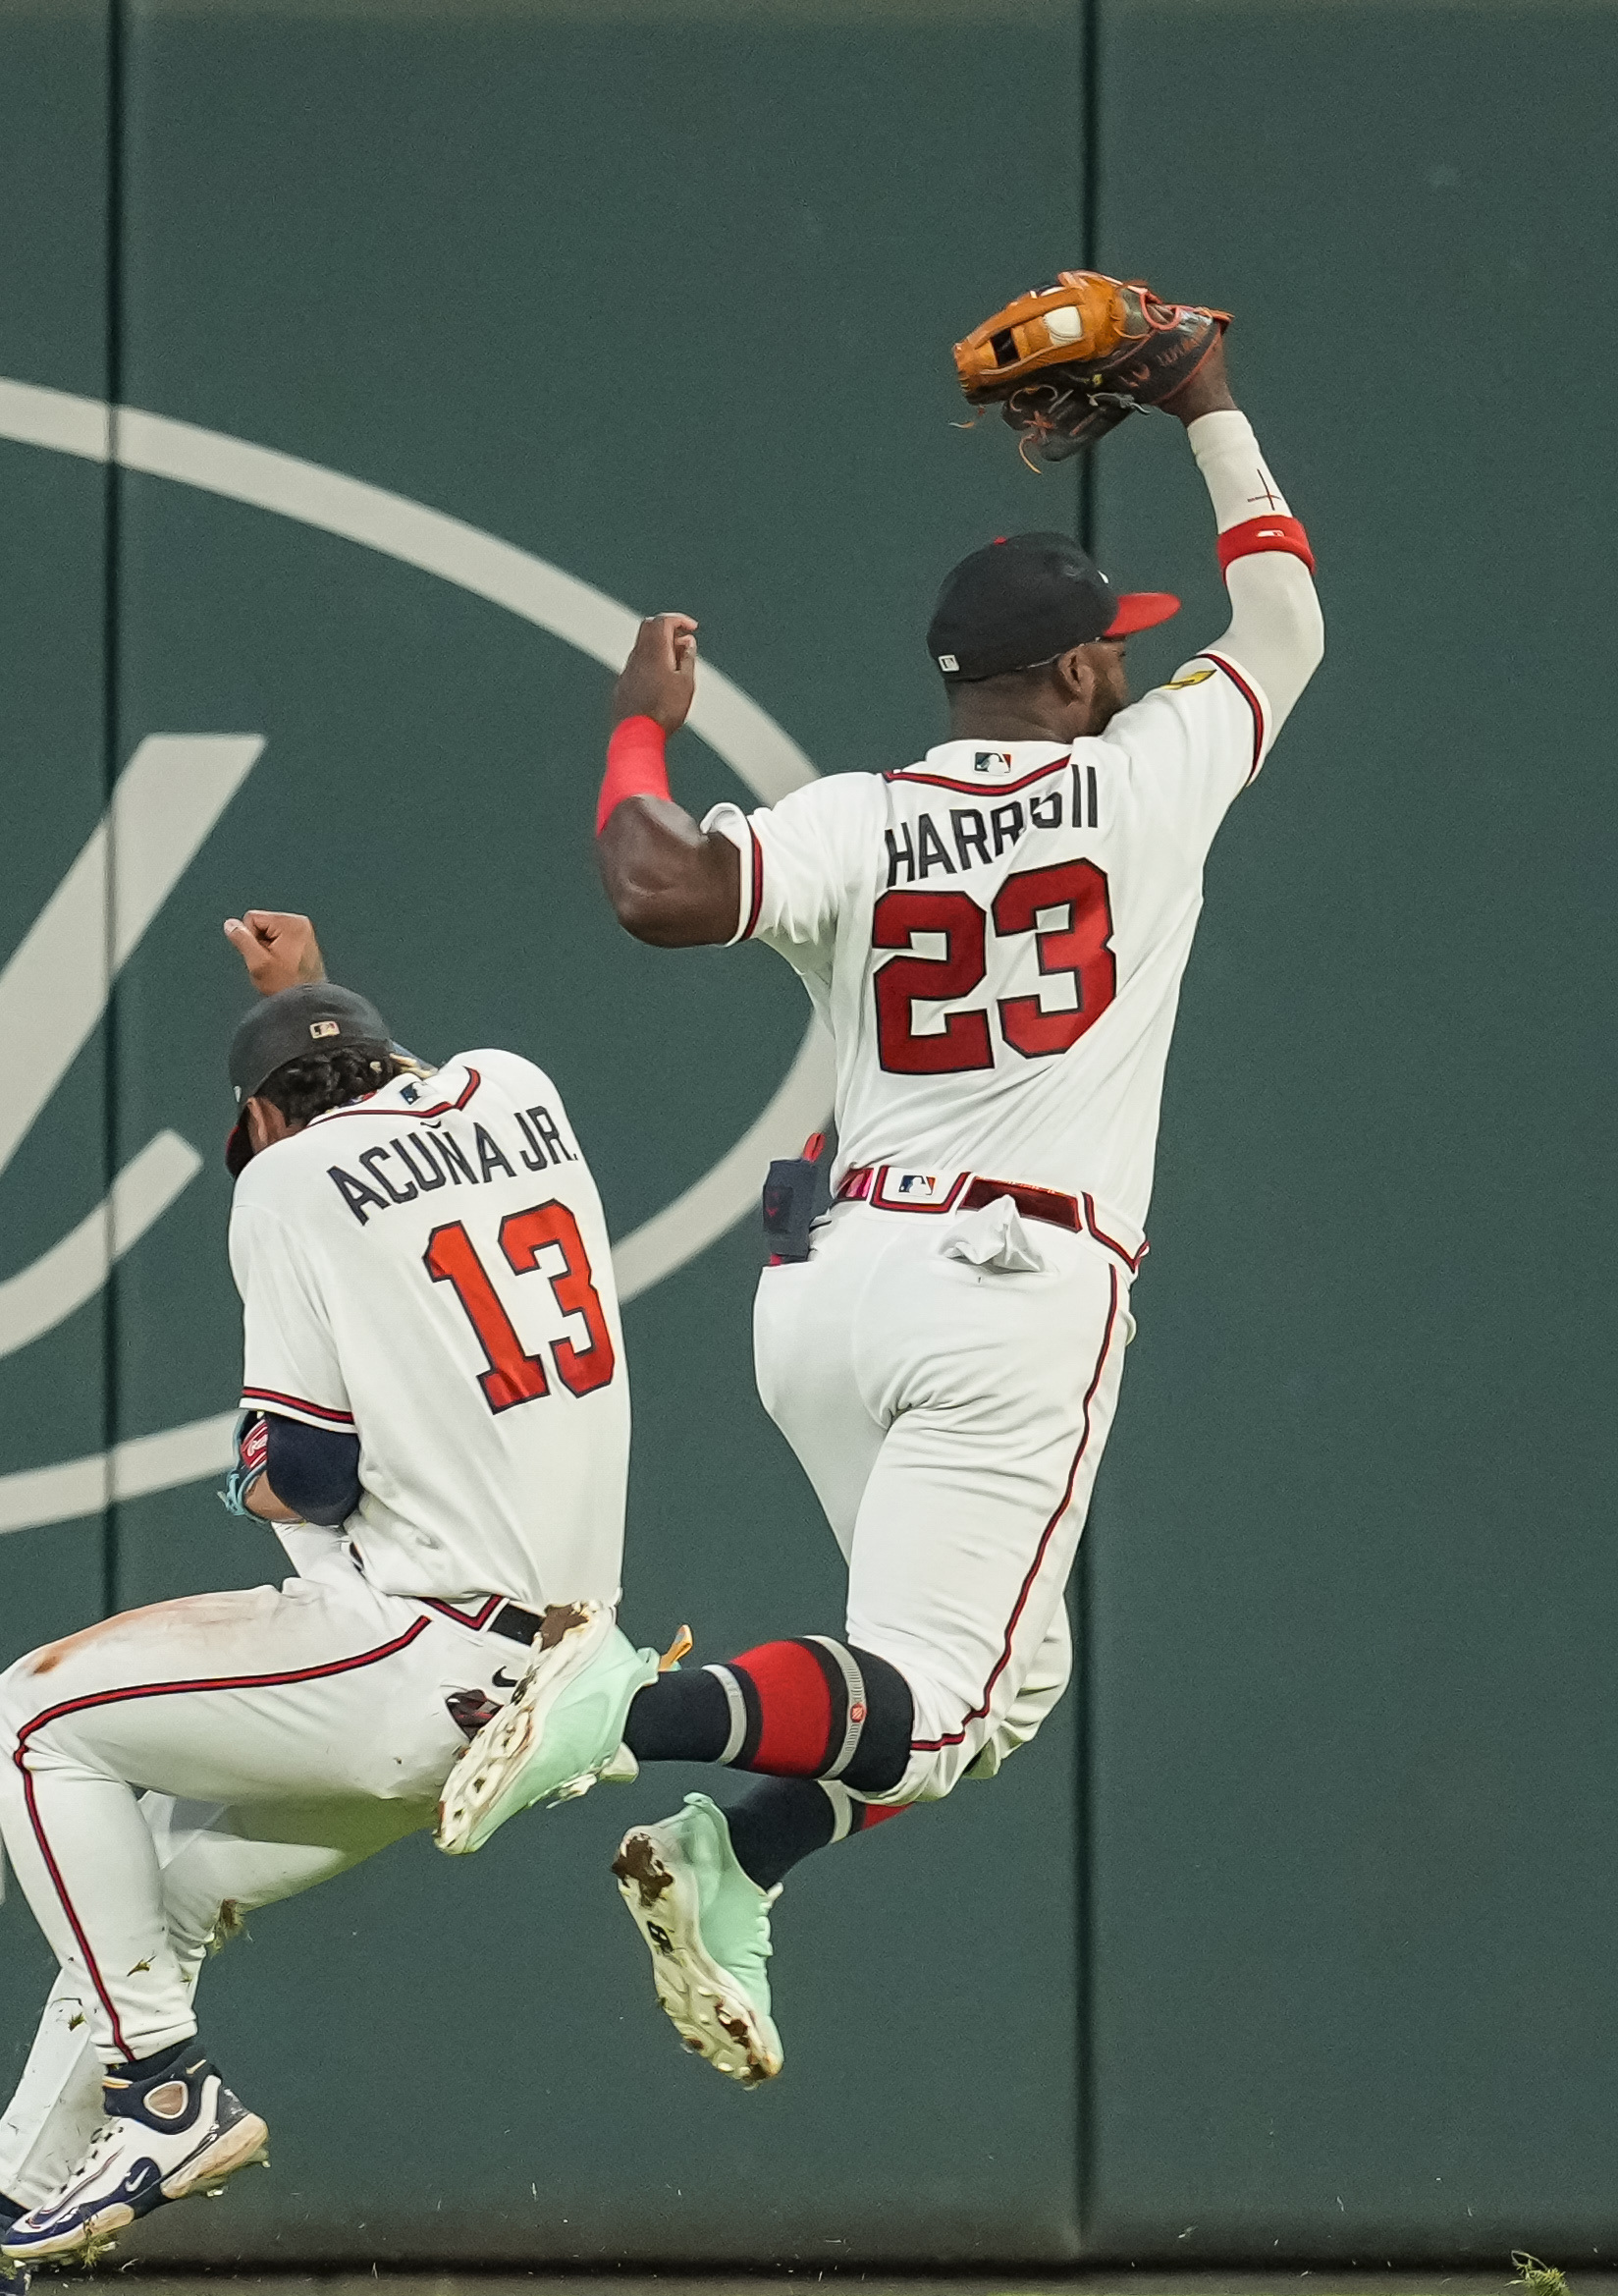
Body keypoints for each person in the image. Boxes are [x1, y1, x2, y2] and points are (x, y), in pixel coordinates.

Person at [437, 316, 1322, 2087]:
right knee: (933, 1704)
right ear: (1071, 679)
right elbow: (1284, 615)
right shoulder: (1147, 782)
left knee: (1006, 1695)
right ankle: (623, 1711)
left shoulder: (859, 815)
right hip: (1010, 1281)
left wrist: (635, 730)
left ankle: (726, 1860)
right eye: (1115, 656)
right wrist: (1203, 398)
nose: (1132, 677)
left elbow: (655, 887)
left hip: (823, 1287)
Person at [0, 908, 630, 2296]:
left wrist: (239, 1474)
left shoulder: (284, 1186)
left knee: (33, 1711)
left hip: (408, 1647)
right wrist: (311, 1000)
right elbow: (394, 1102)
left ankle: (167, 2097)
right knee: (152, 1902)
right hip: (547, 1677)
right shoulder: (518, 1090)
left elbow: (306, 1470)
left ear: (257, 1116)